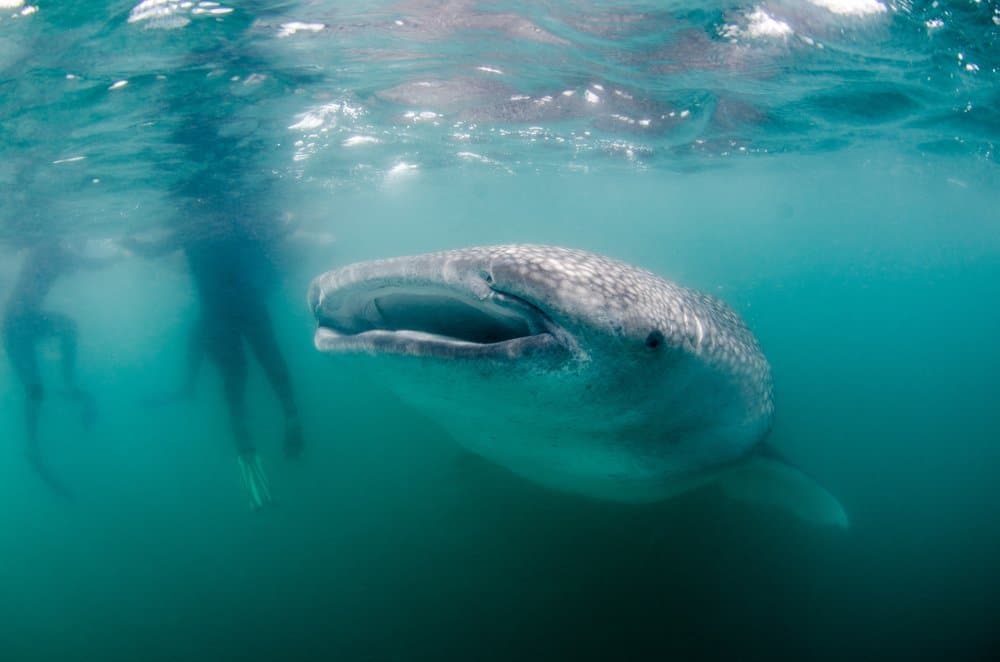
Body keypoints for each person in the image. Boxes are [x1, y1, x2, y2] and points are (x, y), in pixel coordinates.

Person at [122, 206, 303, 510]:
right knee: (271, 363)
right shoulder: (235, 220)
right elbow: (278, 231)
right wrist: (289, 219)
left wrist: (128, 241)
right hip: (250, 308)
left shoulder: (188, 229)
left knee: (235, 383)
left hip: (217, 317)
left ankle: (249, 453)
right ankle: (291, 417)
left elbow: (152, 250)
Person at [2, 238, 117, 496]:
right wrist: (119, 255)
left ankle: (34, 447)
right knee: (67, 330)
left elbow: (79, 263)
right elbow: (87, 264)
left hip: (14, 326)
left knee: (36, 391)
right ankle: (68, 386)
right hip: (19, 324)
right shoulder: (51, 250)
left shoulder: (48, 250)